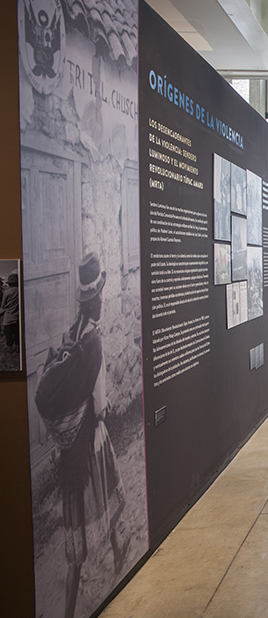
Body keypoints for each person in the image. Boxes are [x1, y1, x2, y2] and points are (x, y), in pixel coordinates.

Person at [34, 253, 129, 618]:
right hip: (91, 442)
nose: (103, 302)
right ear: (94, 302)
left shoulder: (69, 337)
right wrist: (93, 414)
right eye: (101, 297)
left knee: (83, 527)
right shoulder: (94, 343)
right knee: (107, 493)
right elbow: (101, 406)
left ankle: (115, 556)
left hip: (69, 452)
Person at [2, 272, 18, 350]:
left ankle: (10, 346)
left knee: (7, 331)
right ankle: (18, 345)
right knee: (17, 331)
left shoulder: (7, 292)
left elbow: (3, 305)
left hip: (9, 316)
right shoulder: (20, 290)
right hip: (17, 316)